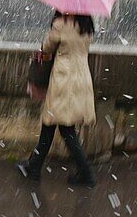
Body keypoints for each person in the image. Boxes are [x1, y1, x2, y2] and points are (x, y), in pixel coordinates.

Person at [18, 11, 97, 186]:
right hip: (81, 79)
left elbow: (46, 48)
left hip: (63, 81)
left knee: (63, 128)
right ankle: (34, 167)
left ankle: (86, 174)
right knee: (53, 125)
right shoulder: (86, 25)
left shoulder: (61, 25)